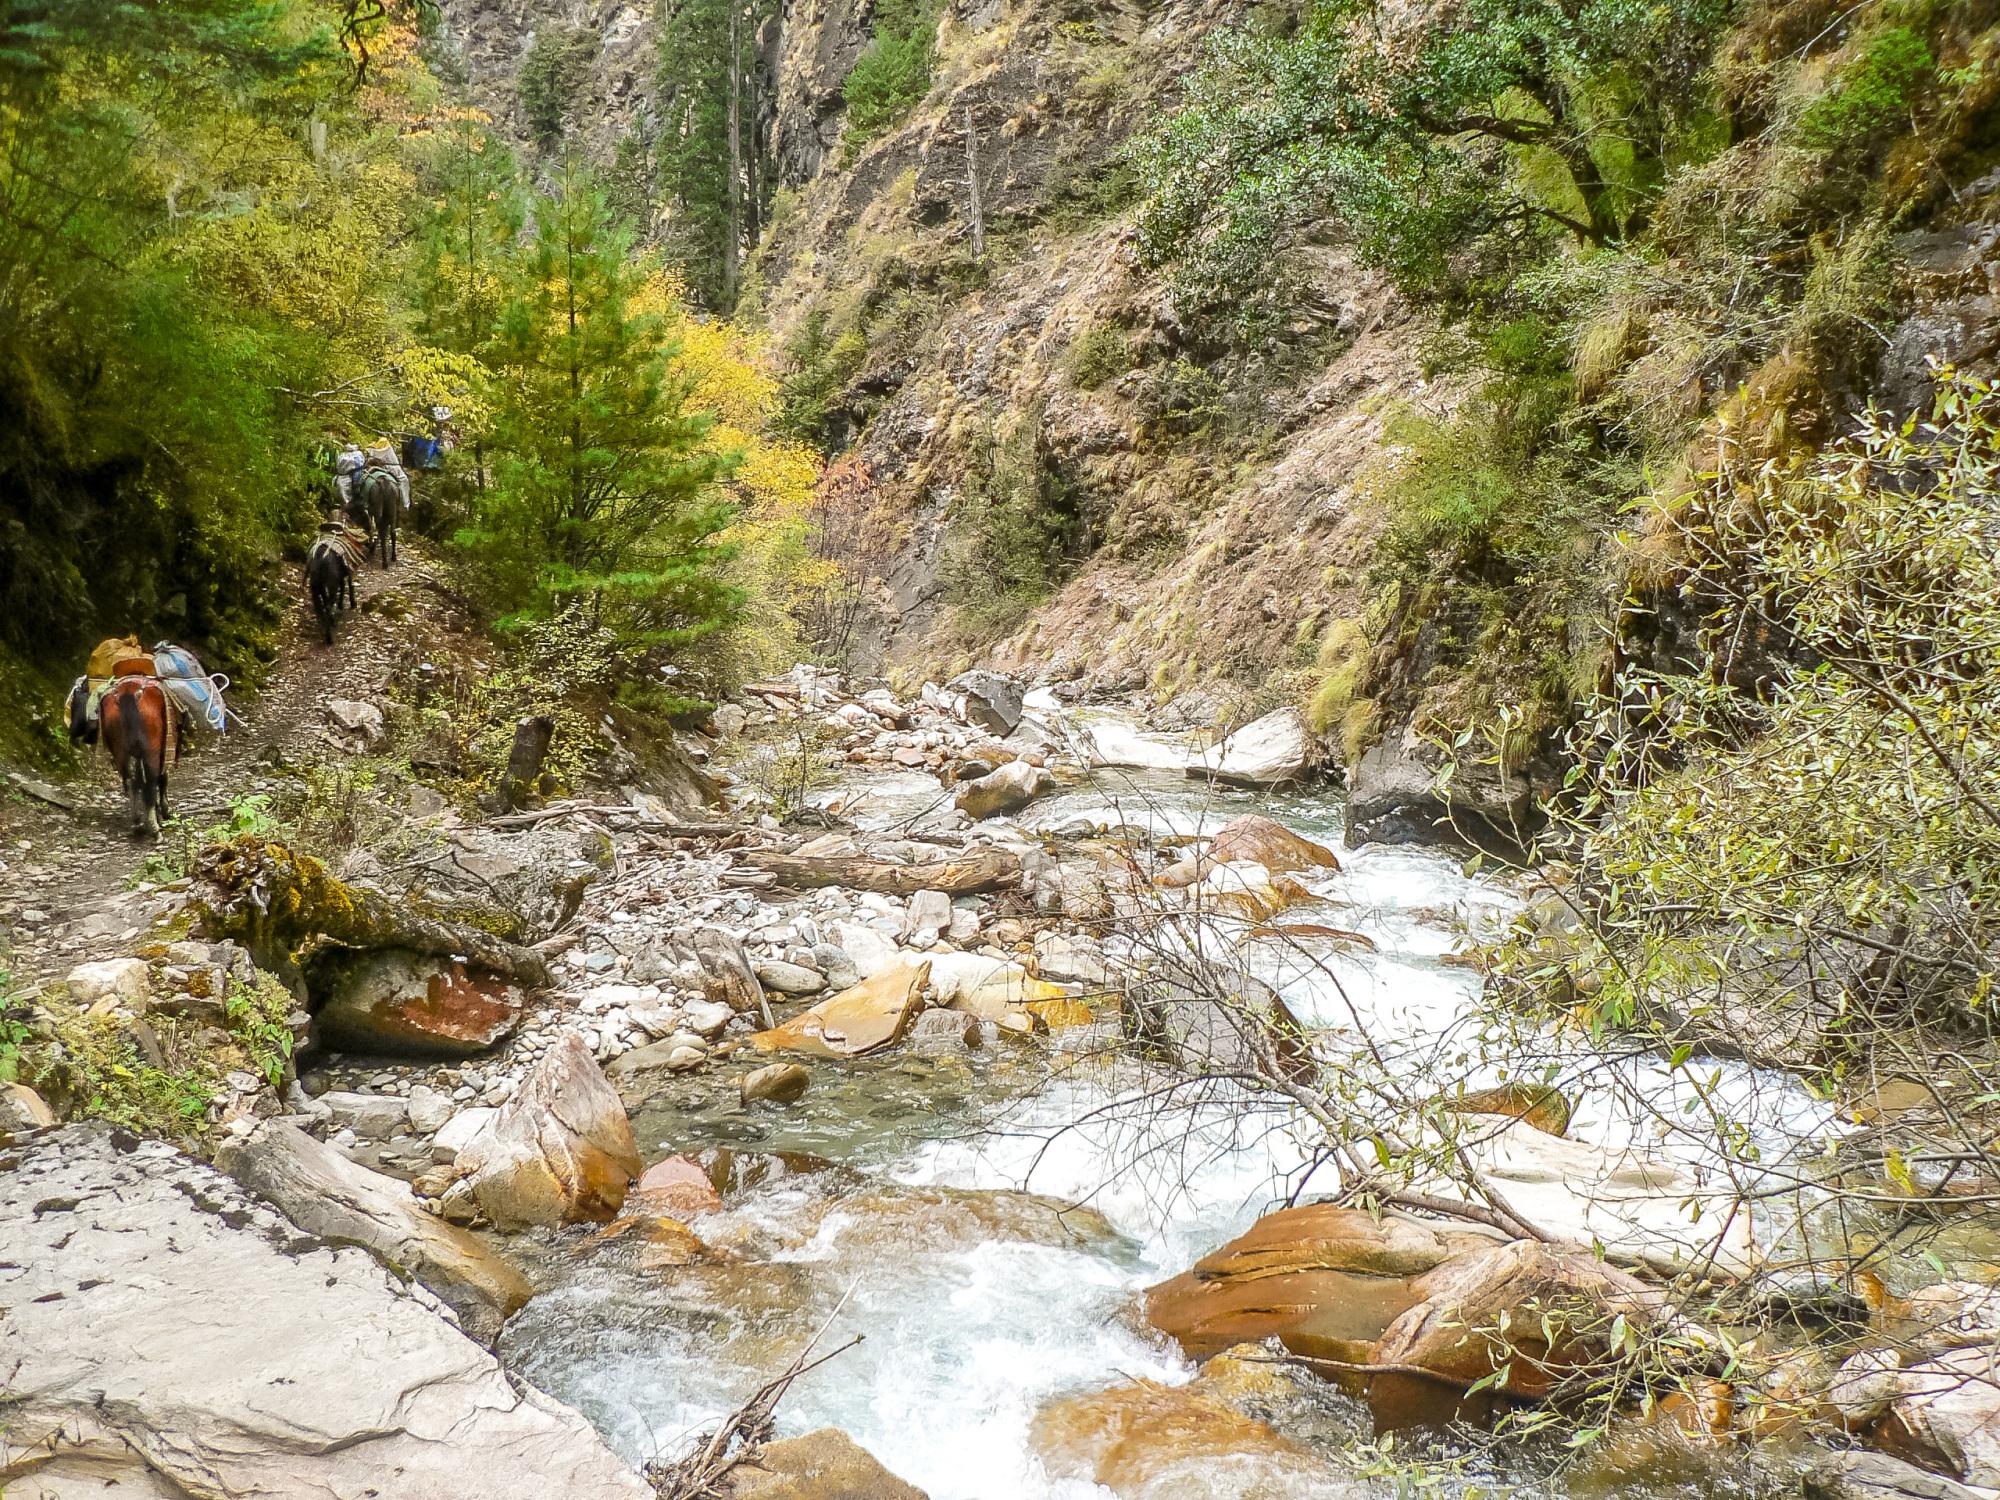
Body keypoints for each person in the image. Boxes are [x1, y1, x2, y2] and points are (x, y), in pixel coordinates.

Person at [362, 433, 411, 509]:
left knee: (362, 479)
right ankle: (405, 503)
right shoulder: (385, 446)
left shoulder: (372, 447)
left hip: (376, 467)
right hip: (392, 469)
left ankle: (362, 500)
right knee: (404, 480)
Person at [334, 439, 366, 511]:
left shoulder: (342, 456)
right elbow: (363, 463)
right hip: (352, 476)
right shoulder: (359, 454)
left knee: (342, 490)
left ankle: (345, 504)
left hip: (348, 476)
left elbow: (338, 466)